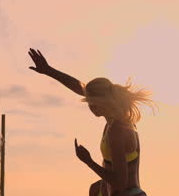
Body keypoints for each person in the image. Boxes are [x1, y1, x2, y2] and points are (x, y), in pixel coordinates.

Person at [28, 48, 154, 196]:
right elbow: (79, 86)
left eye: (90, 102)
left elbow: (120, 183)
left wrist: (89, 161)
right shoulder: (115, 121)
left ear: (100, 103)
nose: (89, 106)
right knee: (94, 188)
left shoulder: (117, 130)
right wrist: (49, 71)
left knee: (96, 188)